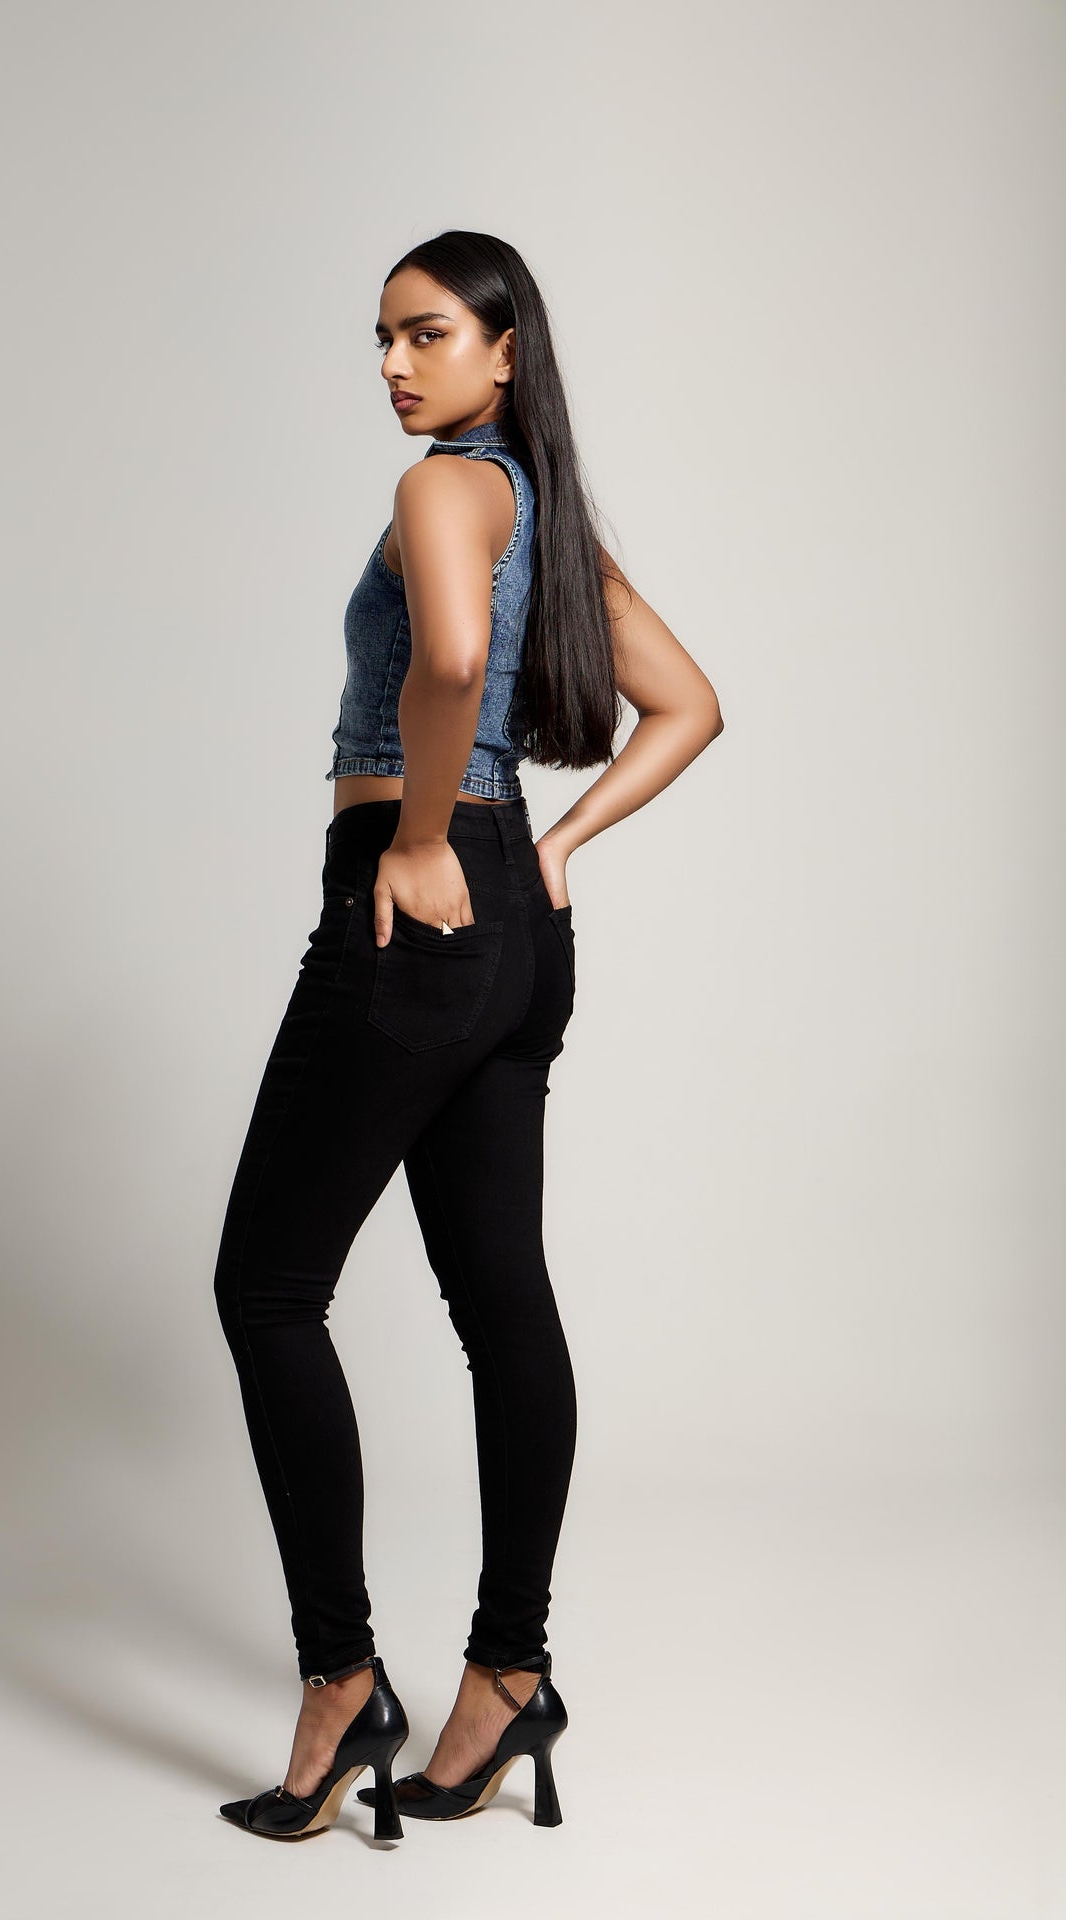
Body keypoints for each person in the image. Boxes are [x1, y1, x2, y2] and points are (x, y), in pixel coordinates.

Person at [215, 229, 725, 1841]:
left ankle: (341, 1682)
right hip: (520, 929)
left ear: (506, 349)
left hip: (420, 896)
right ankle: (509, 1676)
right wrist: (550, 848)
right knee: (503, 1300)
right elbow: (693, 703)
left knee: (266, 1289)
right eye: (381, 338)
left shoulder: (446, 487)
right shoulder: (547, 515)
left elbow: (444, 660)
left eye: (425, 333)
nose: (392, 364)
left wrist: (425, 838)